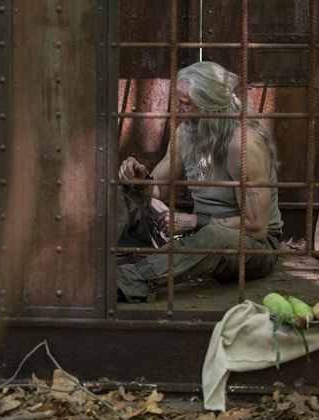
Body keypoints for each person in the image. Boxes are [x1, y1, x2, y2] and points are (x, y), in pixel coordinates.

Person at [116, 61, 283, 302]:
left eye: (186, 102)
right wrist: (139, 179)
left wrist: (195, 221)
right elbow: (158, 190)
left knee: (213, 236)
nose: (178, 108)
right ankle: (93, 262)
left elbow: (257, 227)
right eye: (177, 100)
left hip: (253, 245)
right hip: (198, 232)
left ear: (210, 104)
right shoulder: (185, 132)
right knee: (120, 192)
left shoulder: (242, 144)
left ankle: (125, 281)